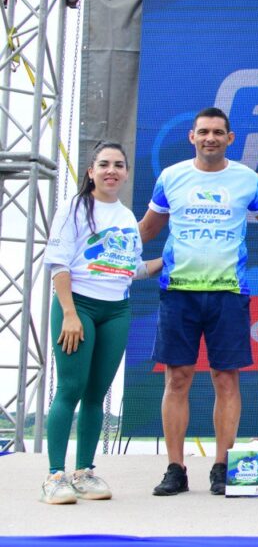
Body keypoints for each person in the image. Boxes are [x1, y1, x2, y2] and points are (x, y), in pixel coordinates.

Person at [138, 107, 258, 496]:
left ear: (230, 138)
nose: (210, 138)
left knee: (225, 378)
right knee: (177, 378)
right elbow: (146, 229)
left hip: (228, 293)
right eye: (203, 132)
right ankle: (175, 469)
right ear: (192, 137)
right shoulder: (171, 177)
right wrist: (103, 248)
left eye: (218, 132)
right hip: (178, 293)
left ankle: (222, 466)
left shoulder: (247, 180)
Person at [41, 142, 160, 504]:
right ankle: (55, 476)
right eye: (104, 164)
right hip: (78, 306)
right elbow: (59, 264)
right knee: (70, 388)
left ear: (126, 173)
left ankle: (84, 472)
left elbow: (130, 269)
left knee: (96, 394)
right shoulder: (74, 208)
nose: (112, 171)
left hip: (117, 311)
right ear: (91, 172)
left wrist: (169, 261)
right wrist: (70, 313)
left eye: (119, 165)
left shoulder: (126, 217)